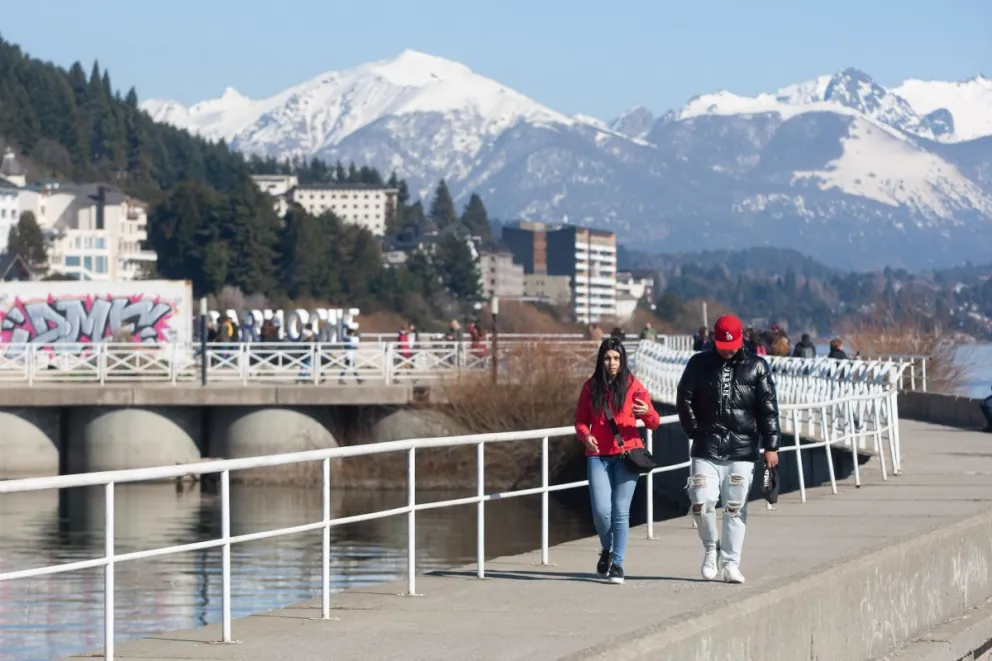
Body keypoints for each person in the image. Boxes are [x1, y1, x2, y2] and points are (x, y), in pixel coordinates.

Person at [676, 314, 781, 584]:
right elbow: (683, 398)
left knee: (735, 506)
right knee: (701, 502)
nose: (728, 350)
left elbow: (768, 409)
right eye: (723, 345)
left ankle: (731, 563)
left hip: (743, 448)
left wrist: (771, 446)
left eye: (732, 345)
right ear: (714, 340)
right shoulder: (698, 363)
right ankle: (712, 548)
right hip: (706, 445)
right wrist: (694, 430)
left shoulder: (757, 367)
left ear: (740, 340)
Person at [574, 336, 662, 585]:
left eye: (616, 358)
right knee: (602, 511)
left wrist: (647, 412)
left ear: (622, 360)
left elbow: (655, 423)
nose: (612, 363)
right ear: (600, 361)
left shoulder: (634, 385)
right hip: (598, 455)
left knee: (621, 512)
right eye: (607, 358)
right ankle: (607, 548)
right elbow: (579, 421)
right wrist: (586, 435)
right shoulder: (590, 388)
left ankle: (618, 564)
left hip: (626, 455)